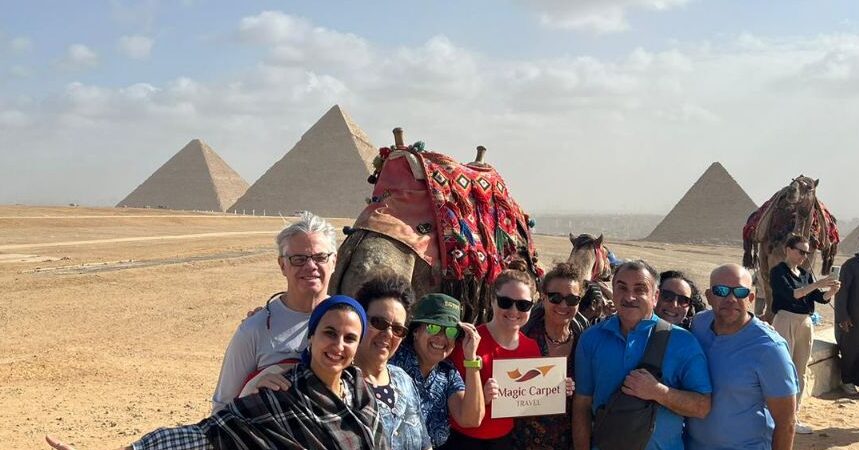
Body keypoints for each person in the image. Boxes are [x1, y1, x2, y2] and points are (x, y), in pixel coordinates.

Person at [46, 296, 390, 450]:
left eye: (349, 338)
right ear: (311, 336)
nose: (338, 345)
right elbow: (206, 434)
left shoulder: (362, 398)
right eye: (329, 333)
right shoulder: (280, 395)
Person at [572, 260, 712, 450]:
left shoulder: (683, 342)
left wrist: (658, 392)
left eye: (640, 289)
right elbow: (582, 404)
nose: (629, 297)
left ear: (655, 297)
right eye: (622, 288)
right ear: (613, 291)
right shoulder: (592, 338)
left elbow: (703, 406)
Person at [211, 211, 338, 412]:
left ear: (334, 262)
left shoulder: (351, 326)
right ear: (282, 265)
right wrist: (250, 391)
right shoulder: (255, 329)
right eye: (299, 259)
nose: (311, 266)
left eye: (320, 257)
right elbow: (221, 410)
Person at [686, 264, 799, 450]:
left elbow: (786, 423)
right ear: (709, 296)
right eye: (721, 291)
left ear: (751, 298)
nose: (731, 299)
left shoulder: (770, 349)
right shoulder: (699, 324)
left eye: (740, 292)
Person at [444, 269, 545, 449]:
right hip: (464, 441)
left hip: (504, 440)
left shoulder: (531, 348)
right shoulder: (468, 343)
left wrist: (555, 388)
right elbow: (452, 403)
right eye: (505, 302)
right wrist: (481, 397)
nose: (514, 311)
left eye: (523, 305)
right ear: (492, 300)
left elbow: (529, 402)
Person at [389, 293, 485, 448]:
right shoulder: (392, 361)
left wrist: (471, 360)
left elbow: (471, 419)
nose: (441, 338)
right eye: (433, 328)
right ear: (416, 331)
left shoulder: (448, 374)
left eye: (450, 331)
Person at [770, 235, 841, 433]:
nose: (804, 256)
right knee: (782, 368)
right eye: (801, 251)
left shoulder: (804, 274)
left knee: (800, 371)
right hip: (785, 320)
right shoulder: (778, 272)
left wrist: (831, 290)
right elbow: (793, 293)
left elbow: (820, 298)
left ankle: (794, 416)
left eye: (807, 253)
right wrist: (818, 284)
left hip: (805, 322)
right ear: (788, 249)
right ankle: (776, 415)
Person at [515, 262, 584, 449]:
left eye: (571, 299)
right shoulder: (521, 338)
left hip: (568, 442)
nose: (563, 305)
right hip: (522, 442)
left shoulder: (586, 344)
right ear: (543, 298)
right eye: (555, 297)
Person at [835, 251, 859, 395]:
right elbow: (841, 293)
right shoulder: (850, 266)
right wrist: (843, 316)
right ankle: (847, 381)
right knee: (850, 351)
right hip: (853, 320)